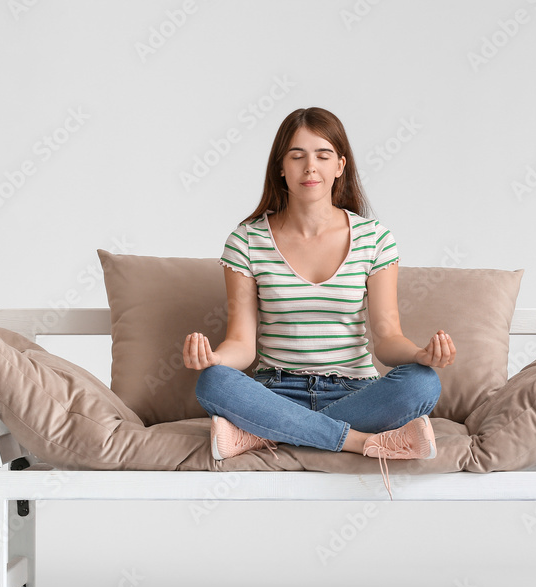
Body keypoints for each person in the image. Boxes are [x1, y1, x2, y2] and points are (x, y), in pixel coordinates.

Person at [182, 107, 455, 495]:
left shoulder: (374, 238)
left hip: (355, 392)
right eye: (297, 156)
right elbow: (242, 344)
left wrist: (419, 355)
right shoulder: (246, 240)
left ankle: (264, 434)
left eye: (323, 155)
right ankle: (361, 442)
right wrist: (215, 359)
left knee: (422, 384)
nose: (310, 166)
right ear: (281, 167)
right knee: (213, 382)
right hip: (275, 390)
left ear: (340, 165)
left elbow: (387, 337)